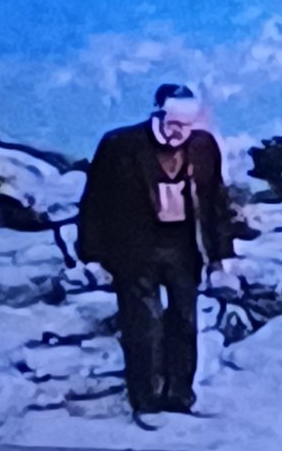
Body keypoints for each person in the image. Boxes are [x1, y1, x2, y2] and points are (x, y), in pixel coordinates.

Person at [76, 84, 236, 415]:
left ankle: (180, 396)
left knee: (184, 321)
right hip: (135, 247)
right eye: (174, 123)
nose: (180, 132)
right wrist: (92, 255)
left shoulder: (204, 147)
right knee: (142, 323)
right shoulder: (120, 145)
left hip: (183, 246)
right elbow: (94, 202)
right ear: (157, 112)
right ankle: (146, 399)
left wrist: (220, 256)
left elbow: (215, 202)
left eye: (188, 125)